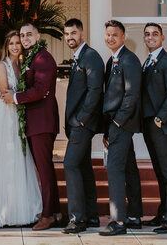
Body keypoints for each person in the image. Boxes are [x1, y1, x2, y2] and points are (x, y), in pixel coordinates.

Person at [0, 30, 43, 228]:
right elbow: (6, 93)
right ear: (6, 46)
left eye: (18, 43)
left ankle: (21, 209)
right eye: (12, 43)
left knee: (19, 159)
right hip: (6, 115)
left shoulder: (22, 65)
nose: (15, 46)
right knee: (5, 160)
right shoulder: (1, 66)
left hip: (20, 114)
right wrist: (25, 95)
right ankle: (1, 212)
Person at [5, 21, 61, 230]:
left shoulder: (43, 58)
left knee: (45, 169)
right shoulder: (31, 57)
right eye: (22, 35)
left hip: (42, 123)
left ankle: (47, 215)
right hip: (35, 123)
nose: (25, 38)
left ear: (38, 37)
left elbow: (40, 90)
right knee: (44, 168)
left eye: (29, 34)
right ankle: (54, 211)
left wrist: (16, 97)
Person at [99, 20, 142, 237]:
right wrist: (108, 128)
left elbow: (132, 95)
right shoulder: (111, 61)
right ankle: (134, 215)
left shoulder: (130, 60)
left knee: (115, 169)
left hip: (123, 124)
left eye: (115, 35)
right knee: (130, 168)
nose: (110, 38)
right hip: (114, 124)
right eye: (107, 35)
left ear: (123, 37)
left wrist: (117, 123)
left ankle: (118, 221)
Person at [60, 18, 103, 235]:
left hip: (82, 124)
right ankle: (92, 215)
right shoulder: (78, 58)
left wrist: (83, 119)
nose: (70, 37)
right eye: (67, 33)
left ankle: (77, 219)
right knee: (83, 166)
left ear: (82, 34)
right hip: (77, 123)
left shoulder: (91, 56)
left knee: (70, 164)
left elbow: (95, 90)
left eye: (73, 33)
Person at [140, 21, 167, 233]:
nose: (150, 37)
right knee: (159, 170)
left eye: (154, 34)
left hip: (161, 125)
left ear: (162, 37)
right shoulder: (146, 62)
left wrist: (160, 118)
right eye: (147, 34)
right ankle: (163, 212)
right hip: (148, 124)